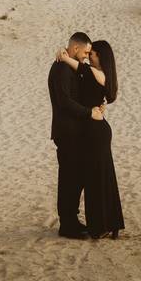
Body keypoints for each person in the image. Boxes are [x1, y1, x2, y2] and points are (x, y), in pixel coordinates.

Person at [56, 39, 124, 239]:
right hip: (96, 131)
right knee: (102, 176)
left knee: (96, 179)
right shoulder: (103, 76)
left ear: (100, 57)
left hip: (95, 132)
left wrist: (64, 55)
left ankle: (102, 225)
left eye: (92, 53)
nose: (88, 56)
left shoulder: (95, 73)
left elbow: (78, 66)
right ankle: (111, 224)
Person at [48, 32, 104, 239]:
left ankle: (71, 220)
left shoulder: (67, 64)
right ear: (76, 48)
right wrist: (89, 112)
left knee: (75, 178)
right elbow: (64, 101)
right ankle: (67, 225)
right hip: (66, 132)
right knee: (69, 179)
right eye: (86, 52)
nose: (86, 57)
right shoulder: (61, 68)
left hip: (73, 132)